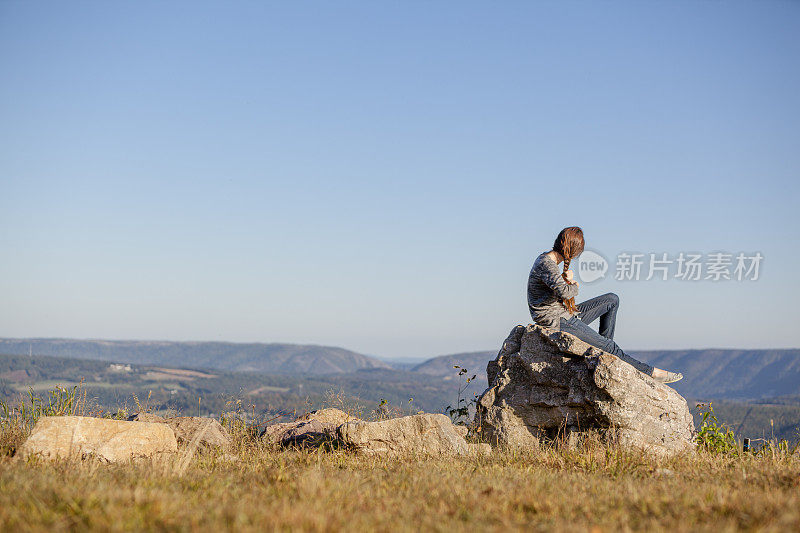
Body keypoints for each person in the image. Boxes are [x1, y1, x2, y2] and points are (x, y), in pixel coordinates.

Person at [527, 226, 683, 384]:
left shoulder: (546, 259)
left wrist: (567, 280)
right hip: (556, 321)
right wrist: (574, 283)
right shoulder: (546, 264)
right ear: (573, 251)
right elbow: (566, 292)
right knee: (610, 346)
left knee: (611, 300)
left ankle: (603, 351)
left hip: (564, 313)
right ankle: (651, 373)